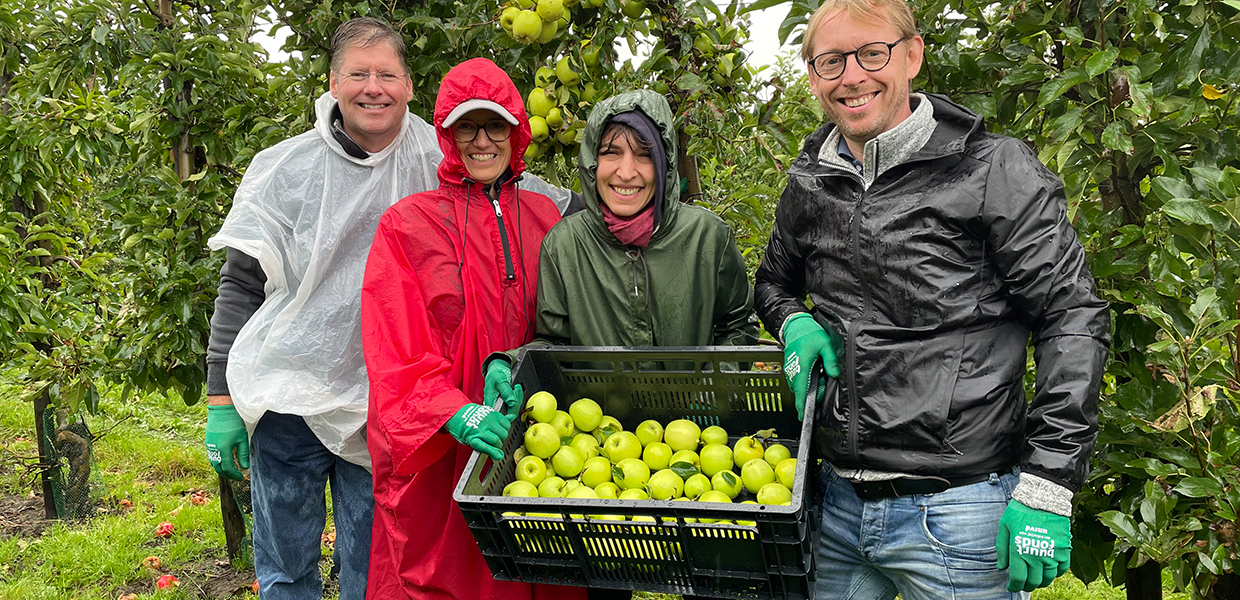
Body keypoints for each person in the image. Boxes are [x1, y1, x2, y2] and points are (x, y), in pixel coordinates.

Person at [752, 1, 1111, 598]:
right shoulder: (812, 178)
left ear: (912, 54)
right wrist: (792, 322)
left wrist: (1049, 484)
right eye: (831, 61)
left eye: (872, 53)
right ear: (813, 76)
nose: (851, 76)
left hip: (958, 509)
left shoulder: (990, 169)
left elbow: (1070, 315)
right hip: (834, 506)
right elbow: (772, 283)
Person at [203, 19, 570, 600]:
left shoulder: (434, 151)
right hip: (291, 391)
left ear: (407, 86)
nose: (372, 87)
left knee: (371, 567)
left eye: (387, 74)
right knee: (285, 570)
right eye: (358, 73)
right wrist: (221, 396)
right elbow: (241, 284)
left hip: (379, 410)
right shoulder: (286, 167)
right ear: (331, 82)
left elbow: (525, 200)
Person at [488, 88, 758, 600]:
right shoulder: (566, 244)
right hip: (594, 458)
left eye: (644, 154)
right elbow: (552, 341)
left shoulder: (706, 236)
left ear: (666, 162)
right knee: (608, 586)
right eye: (612, 152)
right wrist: (510, 362)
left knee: (713, 578)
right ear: (592, 160)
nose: (626, 172)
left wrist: (714, 405)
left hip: (698, 447)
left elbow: (737, 325)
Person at [359, 57, 587, 600]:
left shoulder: (548, 219)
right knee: (451, 575)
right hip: (444, 451)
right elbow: (394, 344)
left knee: (540, 567)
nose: (481, 141)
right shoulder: (408, 224)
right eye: (466, 126)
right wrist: (451, 412)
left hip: (538, 436)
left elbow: (569, 324)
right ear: (446, 133)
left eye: (495, 125)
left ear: (517, 130)